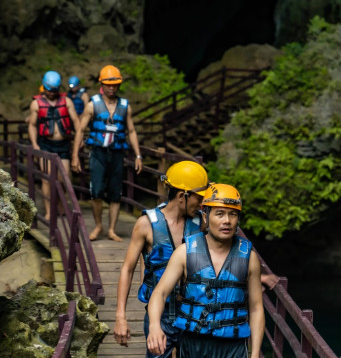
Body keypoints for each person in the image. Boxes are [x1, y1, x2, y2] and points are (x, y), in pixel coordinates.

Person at [147, 183, 265, 358]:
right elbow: (160, 293)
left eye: (233, 214)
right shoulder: (184, 253)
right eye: (220, 214)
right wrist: (154, 326)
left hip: (233, 347)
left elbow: (256, 308)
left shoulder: (249, 257)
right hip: (193, 343)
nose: (227, 220)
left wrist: (254, 354)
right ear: (205, 216)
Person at [114, 160, 209, 357]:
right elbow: (127, 268)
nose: (202, 204)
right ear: (182, 196)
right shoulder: (146, 225)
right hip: (160, 314)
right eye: (199, 199)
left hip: (192, 313)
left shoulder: (200, 223)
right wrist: (120, 317)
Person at [71, 65, 143, 241]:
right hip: (98, 153)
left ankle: (111, 229)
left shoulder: (125, 106)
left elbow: (131, 131)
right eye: (108, 84)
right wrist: (75, 156)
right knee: (95, 191)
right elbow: (80, 130)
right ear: (101, 84)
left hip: (117, 154)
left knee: (115, 192)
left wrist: (138, 155)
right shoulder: (92, 105)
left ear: (119, 85)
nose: (111, 88)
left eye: (115, 84)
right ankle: (98, 226)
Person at [27, 70, 80, 220]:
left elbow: (76, 120)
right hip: (46, 144)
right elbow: (32, 125)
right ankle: (50, 210)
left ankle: (61, 203)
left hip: (63, 144)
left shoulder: (66, 101)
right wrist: (35, 144)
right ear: (44, 87)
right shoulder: (36, 103)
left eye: (54, 90)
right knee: (46, 178)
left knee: (64, 178)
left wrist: (79, 137)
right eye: (49, 89)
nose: (52, 93)